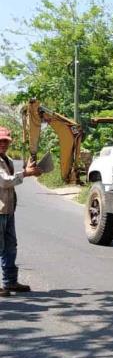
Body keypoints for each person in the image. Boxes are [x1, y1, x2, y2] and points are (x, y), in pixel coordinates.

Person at [0, 126, 42, 296]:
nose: (3, 144)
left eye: (5, 141)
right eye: (0, 141)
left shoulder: (7, 160)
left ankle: (10, 282)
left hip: (7, 210)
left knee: (10, 247)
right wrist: (25, 173)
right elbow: (4, 182)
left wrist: (27, 171)